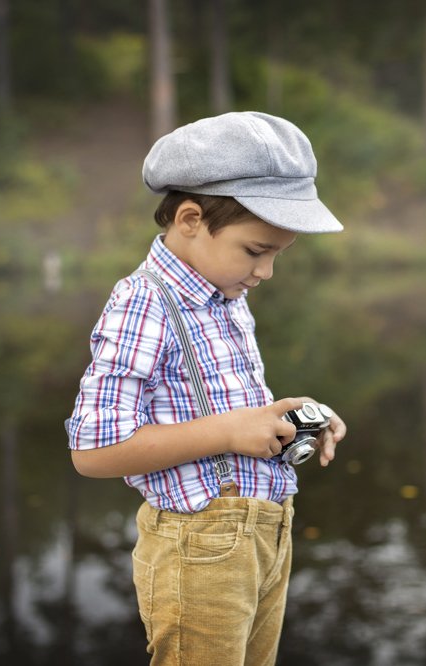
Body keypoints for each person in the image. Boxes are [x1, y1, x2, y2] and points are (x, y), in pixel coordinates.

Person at [65, 111, 347, 665]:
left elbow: (225, 410)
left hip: (265, 536)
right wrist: (229, 431)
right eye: (255, 250)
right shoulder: (144, 301)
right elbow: (92, 451)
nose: (265, 272)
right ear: (191, 218)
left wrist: (289, 417)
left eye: (276, 256)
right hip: (198, 546)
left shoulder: (227, 298)